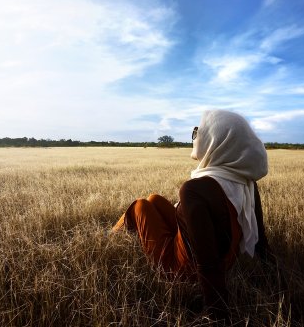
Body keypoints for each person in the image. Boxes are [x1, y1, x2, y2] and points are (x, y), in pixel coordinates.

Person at [112, 109, 270, 317]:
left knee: (140, 206)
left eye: (198, 131)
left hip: (181, 270)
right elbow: (262, 245)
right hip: (216, 254)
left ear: (217, 140)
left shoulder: (196, 190)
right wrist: (275, 278)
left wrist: (218, 315)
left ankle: (110, 237)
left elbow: (207, 266)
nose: (194, 137)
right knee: (154, 199)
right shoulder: (245, 181)